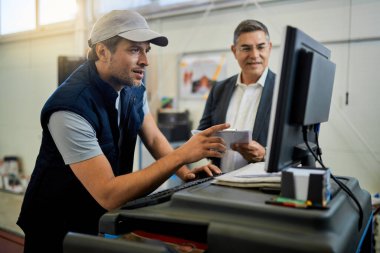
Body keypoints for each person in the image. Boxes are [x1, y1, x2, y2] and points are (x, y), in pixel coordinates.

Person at [17, 10, 228, 253]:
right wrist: (181, 155)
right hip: (56, 225)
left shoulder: (133, 87)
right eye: (134, 50)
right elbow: (109, 193)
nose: (145, 61)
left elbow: (153, 136)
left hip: (98, 217)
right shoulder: (70, 108)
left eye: (146, 51)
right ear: (103, 51)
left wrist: (186, 173)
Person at [198, 19, 275, 172]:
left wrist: (265, 154)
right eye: (246, 48)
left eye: (260, 47)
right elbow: (203, 133)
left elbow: (300, 148)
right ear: (234, 51)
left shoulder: (285, 91)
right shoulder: (219, 89)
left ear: (269, 48)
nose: (254, 55)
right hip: (219, 182)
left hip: (262, 186)